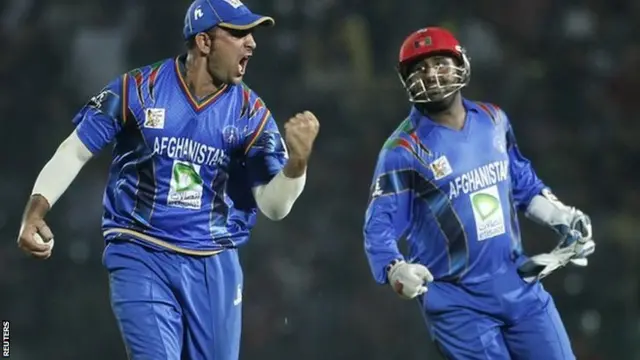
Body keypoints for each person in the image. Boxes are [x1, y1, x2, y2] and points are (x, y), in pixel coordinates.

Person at [16, 0, 319, 359]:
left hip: (214, 263)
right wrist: (35, 210)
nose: (251, 43)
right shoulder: (137, 90)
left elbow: (274, 206)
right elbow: (75, 150)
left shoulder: (251, 115)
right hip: (140, 250)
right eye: (238, 33)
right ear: (204, 42)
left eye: (251, 33)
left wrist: (296, 165)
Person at [363, 26, 594, 360]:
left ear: (461, 64)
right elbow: (378, 226)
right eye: (419, 68)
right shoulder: (401, 150)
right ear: (406, 80)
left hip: (519, 285)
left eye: (439, 62)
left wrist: (562, 215)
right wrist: (395, 269)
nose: (431, 74)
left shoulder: (492, 119)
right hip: (458, 305)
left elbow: (523, 184)